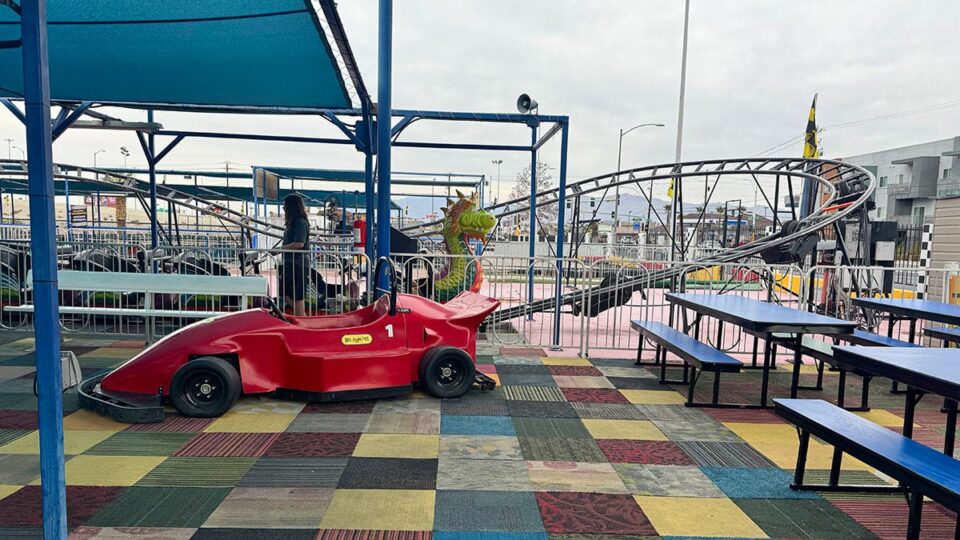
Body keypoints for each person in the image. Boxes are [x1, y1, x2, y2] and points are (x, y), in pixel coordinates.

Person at [280, 194, 311, 316]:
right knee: (285, 293)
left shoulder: (300, 222)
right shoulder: (293, 223)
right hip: (290, 262)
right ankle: (301, 315)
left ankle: (301, 317)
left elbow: (300, 243)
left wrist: (281, 249)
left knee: (297, 296)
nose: (283, 209)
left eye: (285, 206)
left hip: (298, 264)